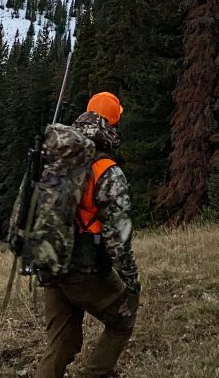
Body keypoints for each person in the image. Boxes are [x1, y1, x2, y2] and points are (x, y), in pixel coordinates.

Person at [36, 91, 141, 378]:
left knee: (62, 342)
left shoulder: (57, 155)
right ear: (112, 124)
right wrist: (131, 282)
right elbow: (118, 239)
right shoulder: (107, 170)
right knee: (123, 320)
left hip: (49, 261)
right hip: (83, 267)